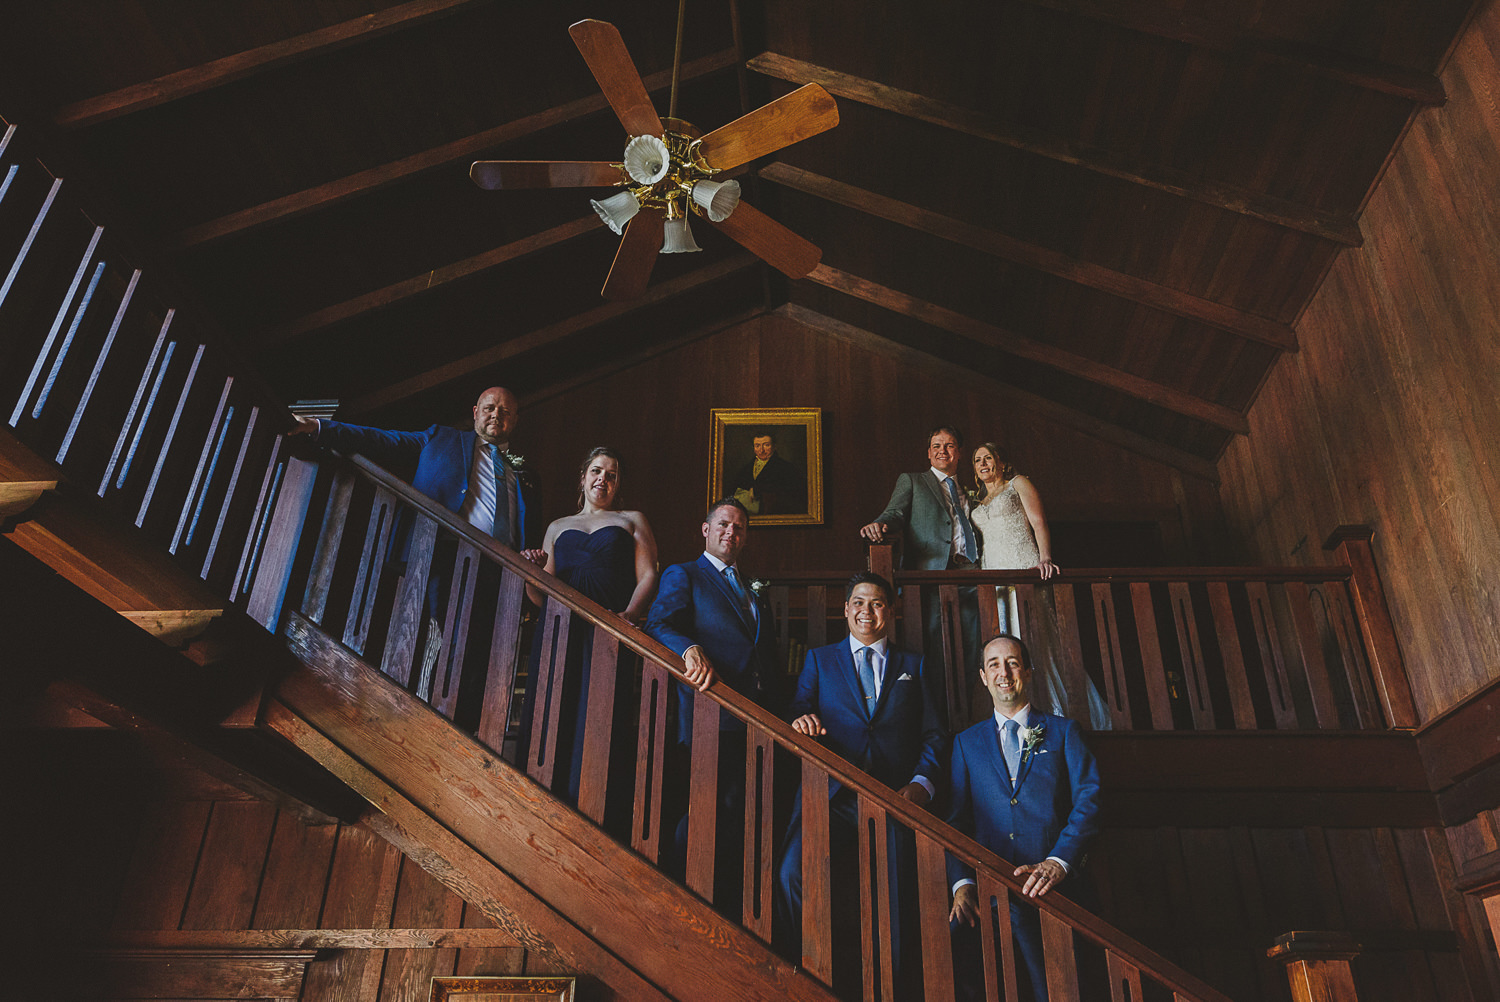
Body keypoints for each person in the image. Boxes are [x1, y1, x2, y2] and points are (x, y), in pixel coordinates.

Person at [776, 571, 945, 994]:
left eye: (876, 603)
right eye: (858, 602)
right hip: (828, 794)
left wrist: (922, 784)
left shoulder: (915, 666)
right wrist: (799, 719)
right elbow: (798, 707)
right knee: (792, 875)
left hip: (892, 800)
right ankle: (805, 980)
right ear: (845, 609)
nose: (866, 611)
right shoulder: (819, 660)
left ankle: (891, 989)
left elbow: (935, 734)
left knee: (898, 893)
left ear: (891, 611)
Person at [645, 498, 783, 910]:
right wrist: (688, 648)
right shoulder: (684, 574)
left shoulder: (754, 588)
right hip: (708, 715)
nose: (731, 532)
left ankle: (727, 908)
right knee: (704, 810)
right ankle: (680, 901)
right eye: (723, 524)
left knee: (742, 816)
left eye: (739, 527)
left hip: (754, 721)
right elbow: (658, 623)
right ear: (706, 530)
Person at [947, 635, 1102, 1002]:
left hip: (1057, 892)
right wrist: (962, 883)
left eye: (1013, 662)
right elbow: (955, 820)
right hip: (991, 893)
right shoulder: (966, 743)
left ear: (1028, 672)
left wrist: (1058, 862)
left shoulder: (1064, 732)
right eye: (994, 664)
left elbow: (1089, 800)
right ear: (983, 677)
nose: (1004, 671)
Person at [523, 447, 658, 825]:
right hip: (558, 630)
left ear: (618, 485)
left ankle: (594, 812)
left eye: (612, 475)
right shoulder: (556, 526)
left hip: (609, 630)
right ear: (583, 476)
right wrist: (530, 572)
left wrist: (629, 615)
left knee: (601, 716)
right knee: (554, 709)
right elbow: (539, 595)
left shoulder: (631, 520)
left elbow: (648, 575)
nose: (603, 479)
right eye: (597, 471)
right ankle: (543, 802)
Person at [288, 385, 545, 562]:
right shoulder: (440, 438)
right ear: (476, 412)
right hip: (438, 552)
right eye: (489, 408)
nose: (496, 414)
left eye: (505, 411)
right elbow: (383, 440)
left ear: (515, 420)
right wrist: (318, 427)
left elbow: (530, 531)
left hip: (503, 571)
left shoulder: (527, 475)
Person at [969, 442, 1110, 730]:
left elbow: (1038, 521)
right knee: (1007, 638)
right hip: (994, 575)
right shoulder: (977, 503)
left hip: (1023, 563)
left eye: (988, 457)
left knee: (1037, 639)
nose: (983, 463)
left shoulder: (1018, 483)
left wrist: (1045, 558)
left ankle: (1056, 712)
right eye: (977, 460)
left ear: (1001, 461)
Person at [859, 425, 982, 722]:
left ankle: (968, 716)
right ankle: (936, 721)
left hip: (971, 576)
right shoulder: (913, 481)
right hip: (930, 578)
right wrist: (879, 524)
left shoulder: (973, 492)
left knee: (972, 648)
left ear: (959, 453)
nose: (943, 450)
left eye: (950, 445)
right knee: (934, 650)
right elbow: (895, 513)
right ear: (928, 453)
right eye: (937, 445)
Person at [729, 429, 805, 515]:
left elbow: (792, 493)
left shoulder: (786, 467)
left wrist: (758, 490)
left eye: (766, 445)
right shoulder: (746, 468)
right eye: (757, 446)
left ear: (774, 446)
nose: (761, 450)